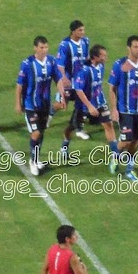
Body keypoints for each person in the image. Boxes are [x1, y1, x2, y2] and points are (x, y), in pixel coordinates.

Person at [60, 45, 119, 170]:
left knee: (108, 125)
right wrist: (90, 106)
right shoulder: (84, 70)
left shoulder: (101, 66)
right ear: (96, 57)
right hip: (84, 106)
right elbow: (79, 90)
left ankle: (115, 154)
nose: (106, 57)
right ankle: (64, 146)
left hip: (100, 102)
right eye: (103, 55)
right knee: (71, 128)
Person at [16, 36, 65, 176]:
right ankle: (32, 161)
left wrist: (61, 96)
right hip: (31, 105)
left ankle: (36, 159)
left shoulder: (51, 61)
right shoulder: (27, 64)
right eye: (41, 48)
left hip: (45, 104)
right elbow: (19, 85)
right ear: (35, 48)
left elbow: (58, 79)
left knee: (41, 133)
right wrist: (18, 102)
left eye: (46, 47)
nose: (44, 50)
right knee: (36, 133)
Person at [108, 35, 138, 181]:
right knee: (126, 140)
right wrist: (114, 109)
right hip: (125, 109)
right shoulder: (119, 65)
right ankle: (116, 155)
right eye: (135, 47)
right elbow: (112, 88)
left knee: (136, 140)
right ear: (128, 48)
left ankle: (129, 169)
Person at [55, 20, 90, 139]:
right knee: (62, 103)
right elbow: (60, 64)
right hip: (69, 80)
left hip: (81, 80)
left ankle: (79, 129)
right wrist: (63, 78)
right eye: (80, 30)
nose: (83, 32)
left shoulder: (85, 41)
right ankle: (48, 115)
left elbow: (86, 58)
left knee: (81, 104)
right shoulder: (65, 44)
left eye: (83, 30)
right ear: (73, 31)